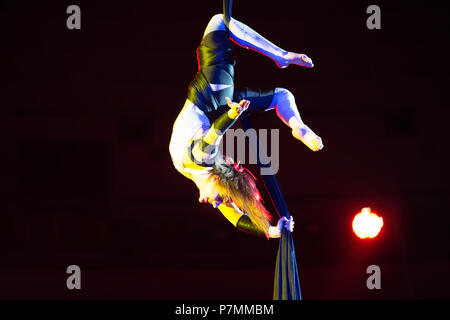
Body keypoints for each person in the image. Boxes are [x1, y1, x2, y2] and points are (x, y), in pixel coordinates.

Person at [169, 0, 323, 239]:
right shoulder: (203, 159)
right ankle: (281, 60)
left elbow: (236, 219)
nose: (212, 202)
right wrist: (232, 114)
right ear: (222, 174)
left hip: (216, 105)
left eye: (219, 201)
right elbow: (213, 135)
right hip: (212, 97)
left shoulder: (205, 178)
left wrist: (272, 231)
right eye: (220, 198)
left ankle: (298, 125)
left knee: (282, 96)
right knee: (219, 22)